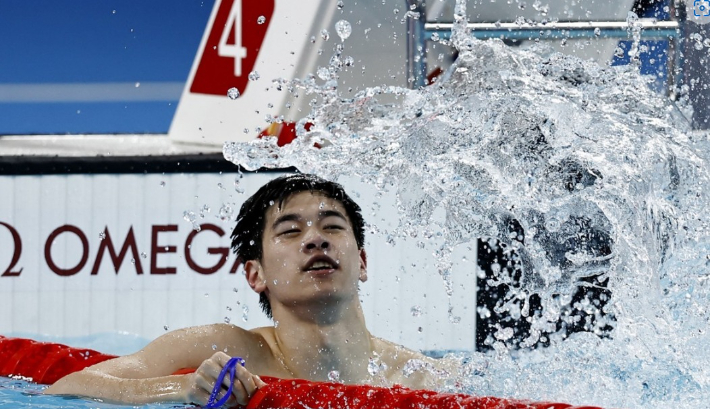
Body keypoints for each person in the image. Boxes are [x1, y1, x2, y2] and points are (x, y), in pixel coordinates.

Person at [45, 174, 451, 407]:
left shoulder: (423, 379)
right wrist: (181, 388)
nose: (315, 241)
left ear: (362, 262)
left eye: (332, 227)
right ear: (255, 274)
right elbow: (69, 387)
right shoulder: (217, 349)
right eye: (290, 232)